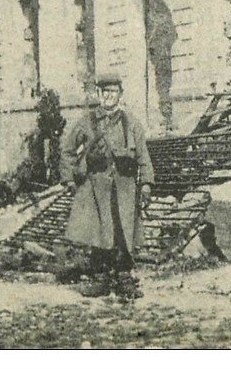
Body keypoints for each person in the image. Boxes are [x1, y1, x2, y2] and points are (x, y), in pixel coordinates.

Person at [60, 74, 154, 299]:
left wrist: (147, 184)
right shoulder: (87, 121)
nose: (108, 96)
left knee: (124, 233)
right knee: (98, 232)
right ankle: (101, 278)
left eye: (113, 91)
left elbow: (143, 156)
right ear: (98, 94)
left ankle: (124, 278)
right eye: (104, 92)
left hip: (124, 187)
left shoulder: (131, 123)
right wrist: (69, 179)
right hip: (96, 187)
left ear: (120, 94)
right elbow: (67, 151)